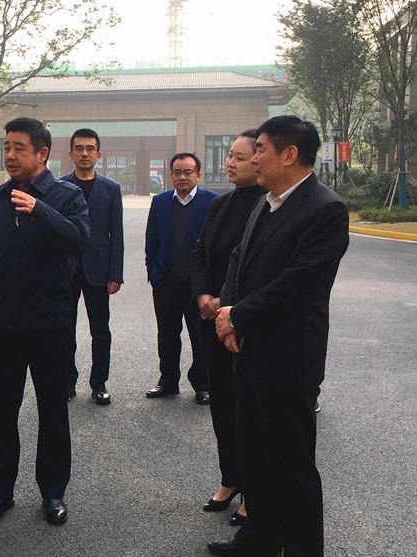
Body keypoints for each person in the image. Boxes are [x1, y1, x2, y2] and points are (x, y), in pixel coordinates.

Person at [208, 116, 349, 557]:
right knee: (255, 456)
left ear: (289, 155)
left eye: (261, 149)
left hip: (288, 359)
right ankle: (258, 541)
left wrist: (239, 316)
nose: (254, 158)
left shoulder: (325, 209)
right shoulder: (267, 201)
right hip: (248, 350)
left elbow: (300, 282)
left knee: (292, 466)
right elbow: (239, 259)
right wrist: (229, 312)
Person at [0, 117, 89, 525]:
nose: (10, 155)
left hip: (50, 324)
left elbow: (78, 241)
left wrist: (41, 210)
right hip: (4, 325)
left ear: (42, 153)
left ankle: (53, 492)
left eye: (19, 148)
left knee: (53, 412)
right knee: (1, 412)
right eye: (7, 147)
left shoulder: (67, 196)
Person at [191, 130, 265, 526]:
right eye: (229, 156)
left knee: (248, 410)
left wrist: (228, 304)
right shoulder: (220, 204)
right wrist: (203, 293)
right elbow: (200, 252)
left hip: (244, 323)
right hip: (212, 319)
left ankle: (254, 489)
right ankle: (230, 478)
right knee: (221, 402)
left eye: (239, 156)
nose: (230, 163)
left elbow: (259, 269)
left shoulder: (268, 206)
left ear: (260, 159)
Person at [144, 153, 217, 404]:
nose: (182, 177)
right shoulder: (160, 201)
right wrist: (153, 271)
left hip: (198, 285)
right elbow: (152, 239)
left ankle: (203, 384)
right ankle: (168, 381)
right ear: (170, 175)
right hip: (166, 281)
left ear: (198, 175)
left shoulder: (212, 202)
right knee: (167, 334)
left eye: (188, 172)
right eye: (177, 172)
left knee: (200, 336)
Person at [60, 128, 124, 405]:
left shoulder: (111, 189)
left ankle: (99, 383)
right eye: (79, 148)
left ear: (98, 154)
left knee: (100, 330)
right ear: (71, 153)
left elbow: (116, 234)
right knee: (64, 329)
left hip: (98, 270)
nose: (84, 153)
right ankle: (66, 381)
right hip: (66, 270)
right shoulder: (60, 187)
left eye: (89, 149)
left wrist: (116, 274)